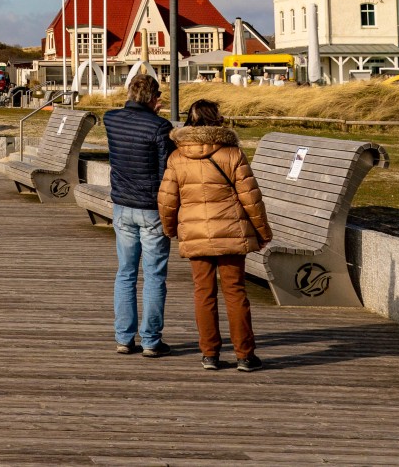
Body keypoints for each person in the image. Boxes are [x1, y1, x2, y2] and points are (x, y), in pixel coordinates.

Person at [159, 99, 272, 372]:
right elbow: (251, 198)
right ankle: (245, 355)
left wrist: (171, 228)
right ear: (217, 119)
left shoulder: (177, 157)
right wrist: (263, 232)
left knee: (203, 293)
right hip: (231, 233)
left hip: (195, 232)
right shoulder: (232, 153)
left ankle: (210, 354)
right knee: (235, 293)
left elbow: (167, 200)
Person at [103, 73, 175, 357]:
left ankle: (123, 337)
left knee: (126, 272)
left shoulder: (112, 119)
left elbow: (123, 117)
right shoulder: (160, 126)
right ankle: (151, 340)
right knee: (154, 275)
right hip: (151, 208)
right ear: (155, 98)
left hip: (122, 205)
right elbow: (165, 172)